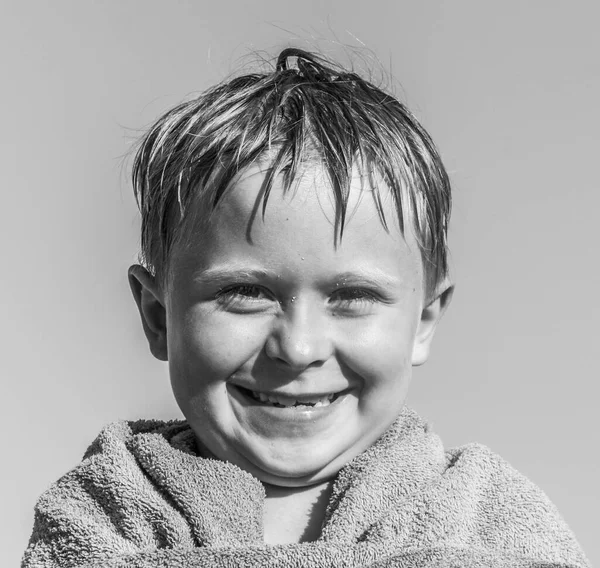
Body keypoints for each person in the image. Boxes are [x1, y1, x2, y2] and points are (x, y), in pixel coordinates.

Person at [21, 48, 590, 568]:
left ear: (423, 322)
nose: (299, 347)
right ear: (158, 316)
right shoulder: (99, 514)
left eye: (353, 298)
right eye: (245, 293)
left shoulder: (487, 517)